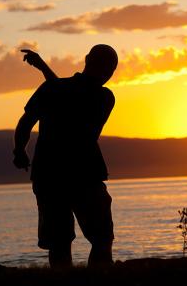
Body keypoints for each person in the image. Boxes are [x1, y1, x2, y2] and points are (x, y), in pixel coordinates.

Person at [13, 45, 118, 268]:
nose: (110, 73)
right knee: (99, 238)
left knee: (61, 242)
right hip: (84, 174)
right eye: (110, 68)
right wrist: (44, 68)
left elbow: (29, 120)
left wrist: (19, 150)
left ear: (87, 58)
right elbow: (68, 95)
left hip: (50, 175)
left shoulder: (63, 91)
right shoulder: (102, 97)